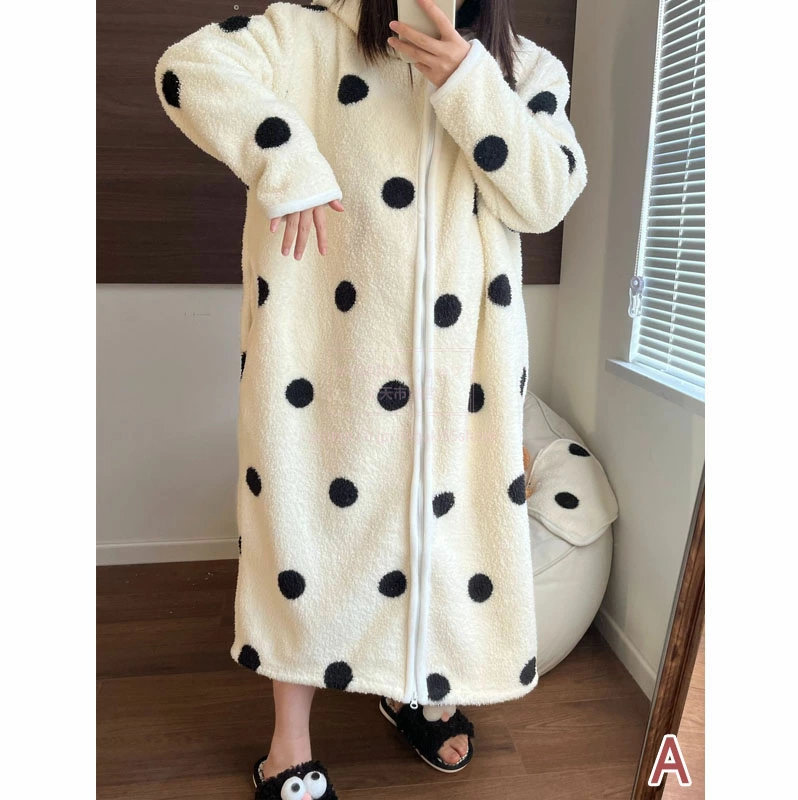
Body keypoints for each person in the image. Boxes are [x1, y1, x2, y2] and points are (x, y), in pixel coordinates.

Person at [154, 0, 587, 796]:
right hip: (325, 357)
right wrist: (288, 161)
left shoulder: (526, 69)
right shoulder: (306, 34)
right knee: (306, 533)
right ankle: (288, 742)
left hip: (460, 373)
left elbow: (547, 196)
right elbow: (188, 68)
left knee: (443, 531)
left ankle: (418, 688)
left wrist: (470, 83)